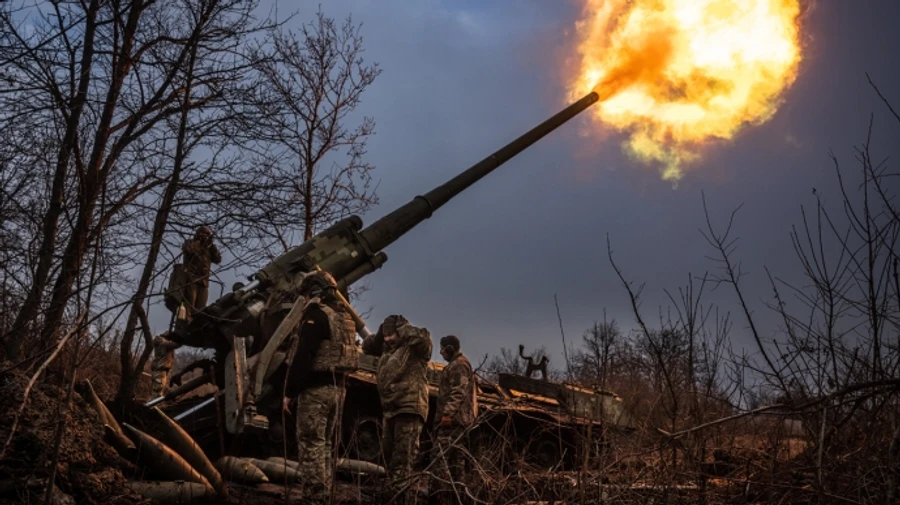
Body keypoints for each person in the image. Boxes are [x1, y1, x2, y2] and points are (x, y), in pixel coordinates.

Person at [281, 271, 358, 505]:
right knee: (325, 445)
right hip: (338, 389)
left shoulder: (317, 316)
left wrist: (289, 392)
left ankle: (314, 498)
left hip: (316, 391)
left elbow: (303, 356)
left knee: (311, 444)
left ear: (313, 291)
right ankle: (324, 495)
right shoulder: (345, 319)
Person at [362, 315, 432, 503]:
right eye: (385, 335)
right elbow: (366, 347)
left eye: (391, 334)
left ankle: (400, 498)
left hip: (409, 408)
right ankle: (392, 494)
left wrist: (402, 328)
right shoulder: (386, 349)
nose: (387, 339)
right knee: (388, 456)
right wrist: (380, 333)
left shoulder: (415, 348)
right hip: (390, 409)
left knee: (403, 458)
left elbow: (424, 338)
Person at [429, 335, 477, 505]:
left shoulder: (459, 365)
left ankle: (440, 495)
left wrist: (447, 414)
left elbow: (458, 391)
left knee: (438, 456)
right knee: (457, 460)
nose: (441, 352)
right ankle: (459, 496)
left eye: (442, 349)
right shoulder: (458, 364)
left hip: (454, 421)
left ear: (449, 348)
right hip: (458, 420)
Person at [181, 225, 221, 317]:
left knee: (201, 310)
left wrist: (211, 244)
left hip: (204, 283)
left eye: (207, 234)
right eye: (203, 233)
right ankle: (185, 325)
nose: (205, 236)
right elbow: (187, 250)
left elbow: (218, 259)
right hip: (191, 280)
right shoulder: (191, 243)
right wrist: (198, 241)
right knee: (188, 307)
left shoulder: (209, 249)